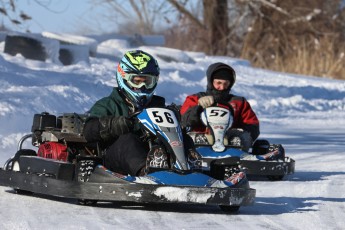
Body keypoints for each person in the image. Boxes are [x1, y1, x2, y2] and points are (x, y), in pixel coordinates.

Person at [83, 50, 167, 176]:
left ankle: (194, 170)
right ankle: (146, 174)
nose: (142, 87)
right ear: (124, 78)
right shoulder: (108, 104)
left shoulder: (158, 107)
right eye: (137, 81)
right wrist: (113, 125)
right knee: (128, 139)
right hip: (115, 159)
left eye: (147, 82)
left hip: (154, 156)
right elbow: (89, 130)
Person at [180, 62, 260, 151]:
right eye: (218, 83)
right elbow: (184, 121)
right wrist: (198, 108)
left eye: (226, 84)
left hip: (231, 147)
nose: (222, 87)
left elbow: (253, 126)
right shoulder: (195, 99)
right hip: (198, 146)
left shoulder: (239, 103)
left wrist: (237, 133)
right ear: (211, 82)